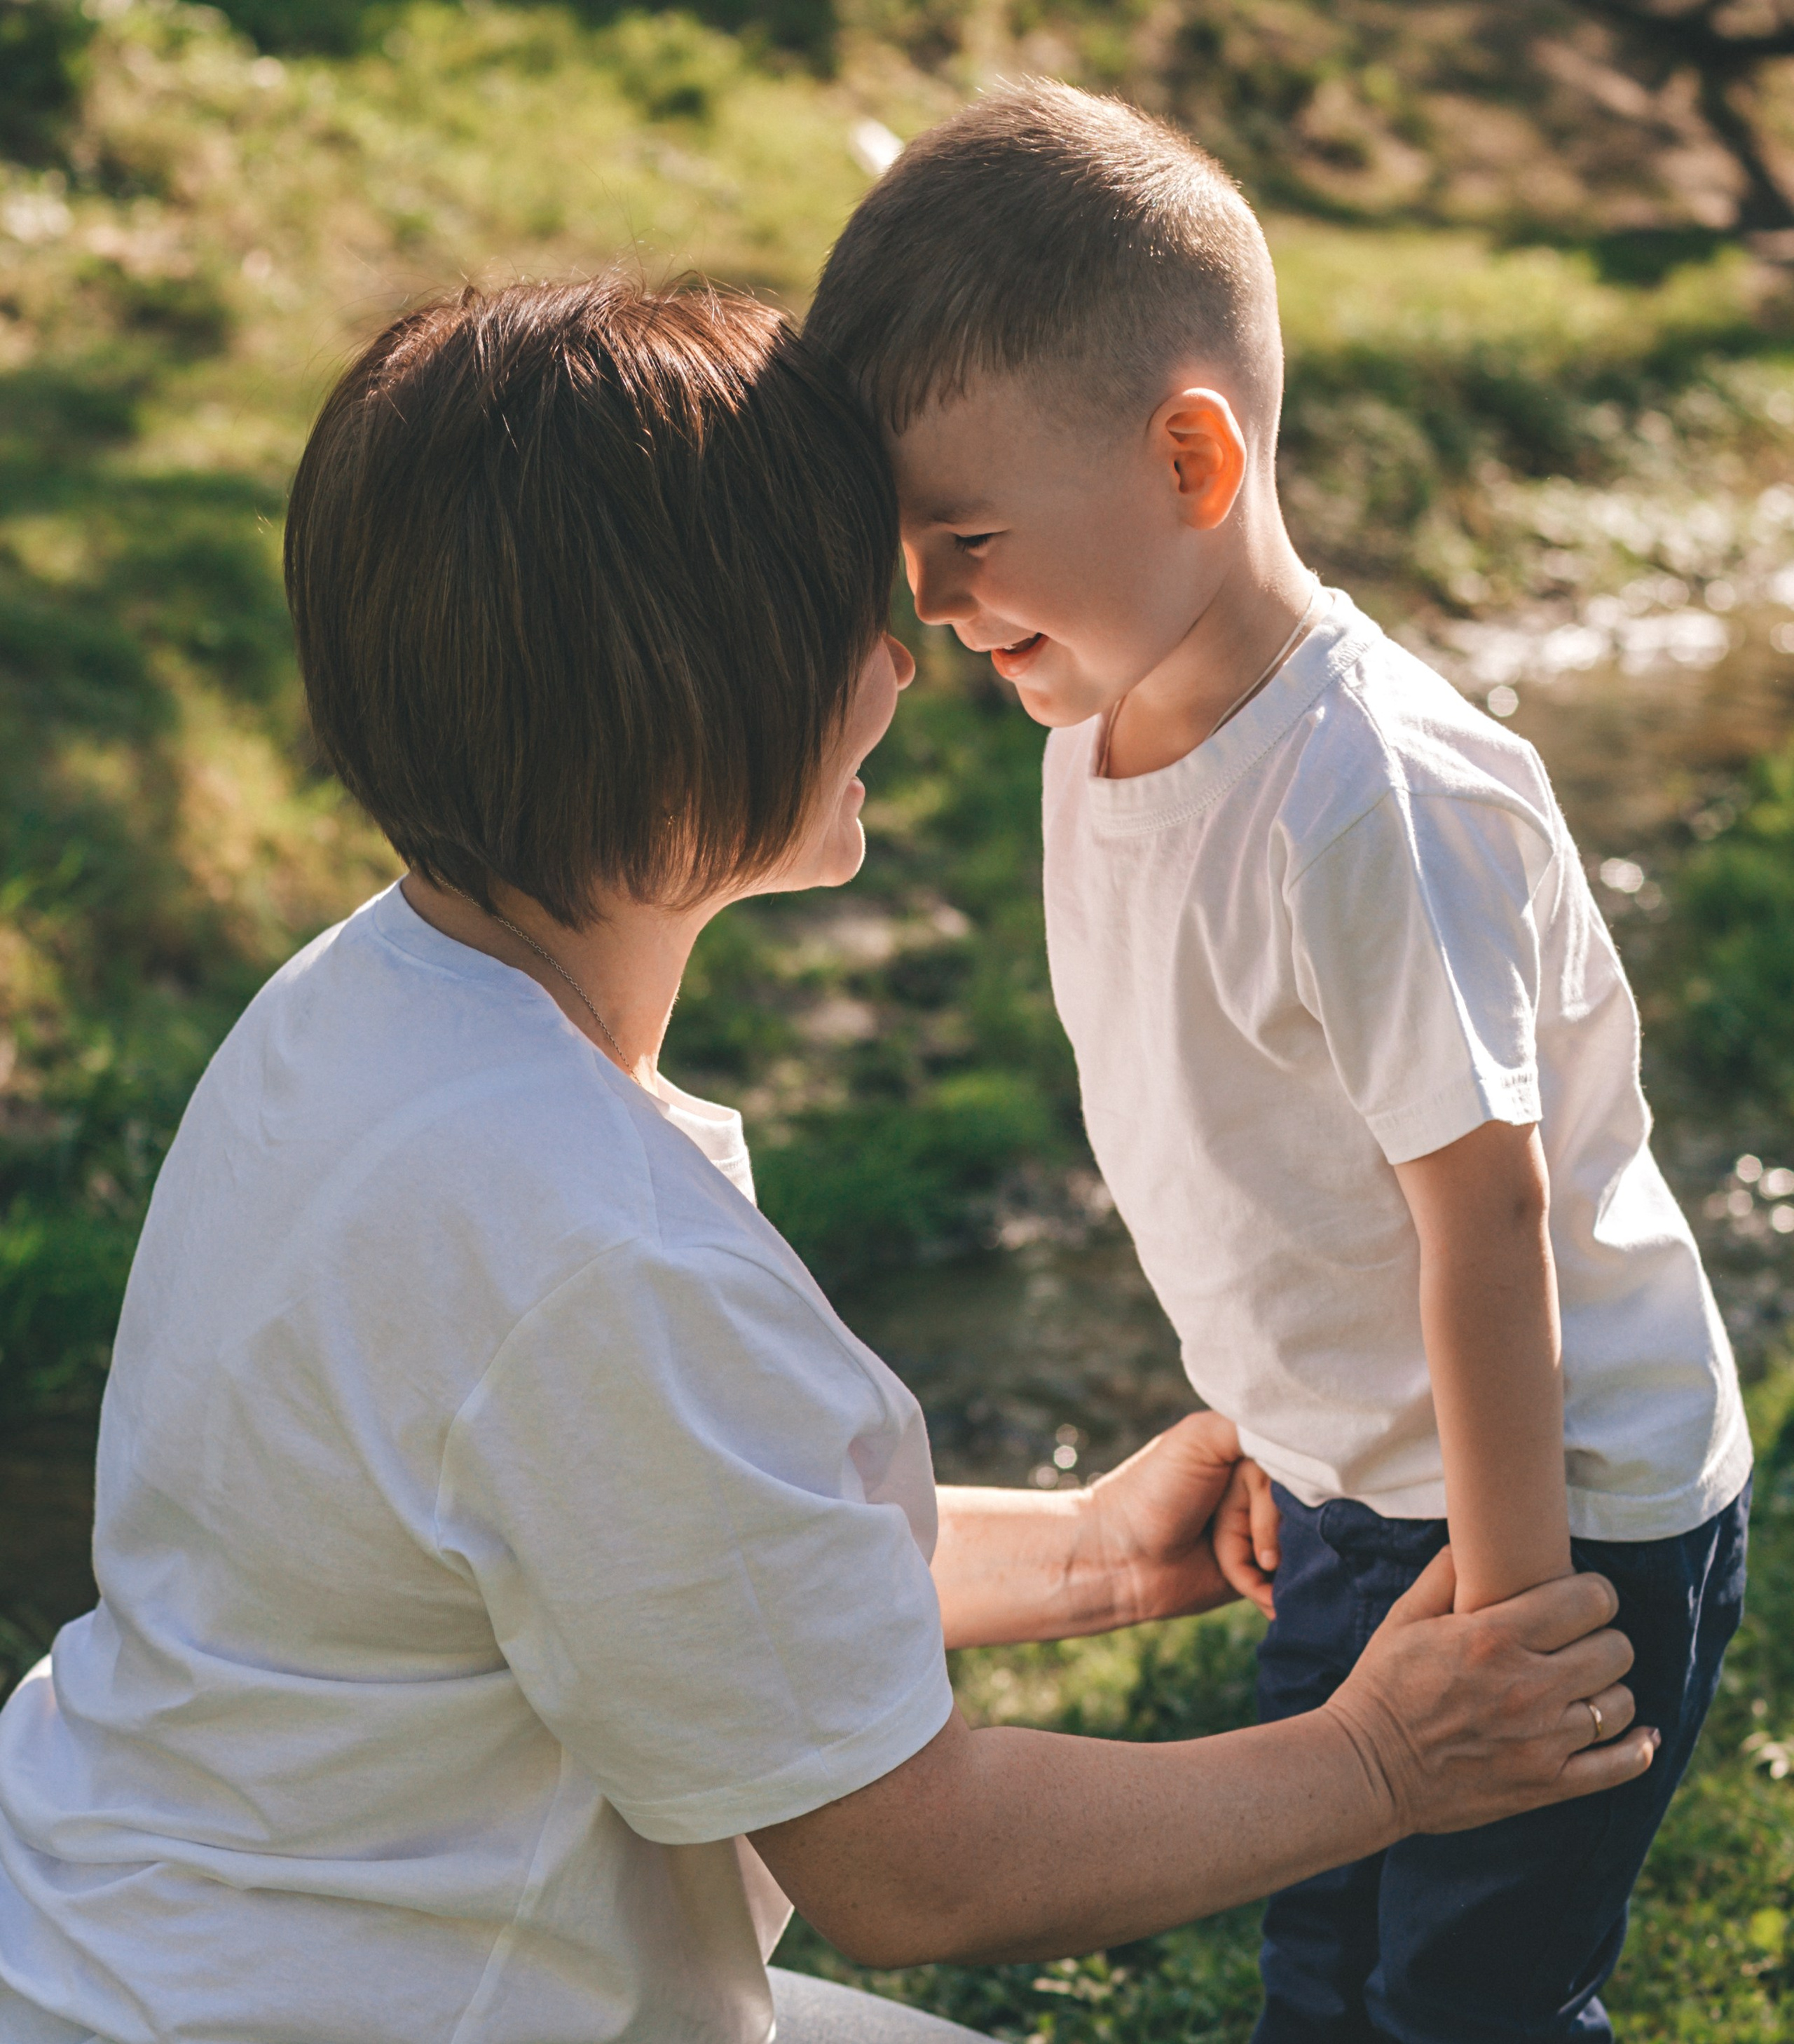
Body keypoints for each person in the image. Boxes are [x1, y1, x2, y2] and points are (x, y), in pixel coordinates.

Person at [0, 278, 1653, 2044]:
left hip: (118, 1929)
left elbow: (663, 1550)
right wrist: (1380, 1760)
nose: (898, 657)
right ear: (675, 699)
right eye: (840, 618)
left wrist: (1092, 1554)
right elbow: (912, 1865)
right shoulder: (587, 1248)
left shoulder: (357, 1009)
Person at [805, 81, 1752, 2044]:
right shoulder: (1102, 738)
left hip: (1547, 1505)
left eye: (966, 538)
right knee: (1320, 1950)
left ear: (1189, 457)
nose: (933, 601)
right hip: (1347, 1481)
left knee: (1468, 1992)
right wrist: (1274, 1409)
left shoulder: (1367, 797)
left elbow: (1478, 1212)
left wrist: (1503, 1614)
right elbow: (1250, 1137)